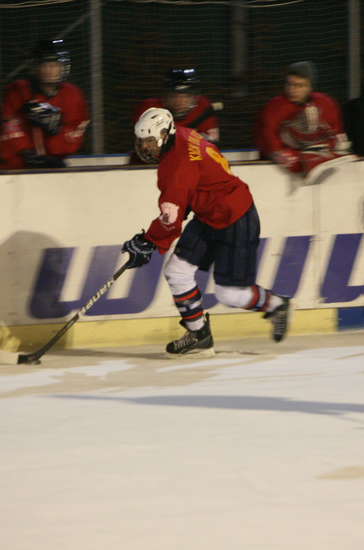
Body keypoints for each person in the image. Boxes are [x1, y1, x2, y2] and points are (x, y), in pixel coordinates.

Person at [120, 107, 292, 355]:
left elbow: (171, 220)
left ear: (164, 134)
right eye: (142, 140)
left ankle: (276, 304)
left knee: (230, 294)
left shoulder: (176, 167)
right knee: (177, 271)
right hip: (210, 213)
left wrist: (148, 241)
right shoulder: (182, 134)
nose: (144, 146)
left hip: (236, 217)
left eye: (149, 140)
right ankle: (199, 333)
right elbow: (197, 177)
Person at [0, 39, 90, 169]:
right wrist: (25, 153)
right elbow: (10, 126)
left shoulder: (72, 94)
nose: (50, 70)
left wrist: (58, 129)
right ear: (35, 67)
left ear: (63, 67)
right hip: (20, 167)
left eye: (55, 65)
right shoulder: (17, 91)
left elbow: (76, 130)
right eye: (45, 65)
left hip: (56, 165)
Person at [254, 60, 351, 176]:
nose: (291, 90)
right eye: (289, 84)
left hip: (313, 158)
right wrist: (300, 162)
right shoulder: (273, 107)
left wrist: (328, 150)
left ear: (310, 87)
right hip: (275, 170)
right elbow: (270, 143)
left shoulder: (326, 103)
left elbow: (336, 136)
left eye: (299, 85)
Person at [128, 68, 219, 165]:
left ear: (194, 96)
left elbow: (210, 150)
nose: (179, 101)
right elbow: (144, 148)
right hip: (147, 166)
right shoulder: (149, 110)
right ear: (166, 95)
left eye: (185, 95)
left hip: (190, 166)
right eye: (174, 95)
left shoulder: (203, 109)